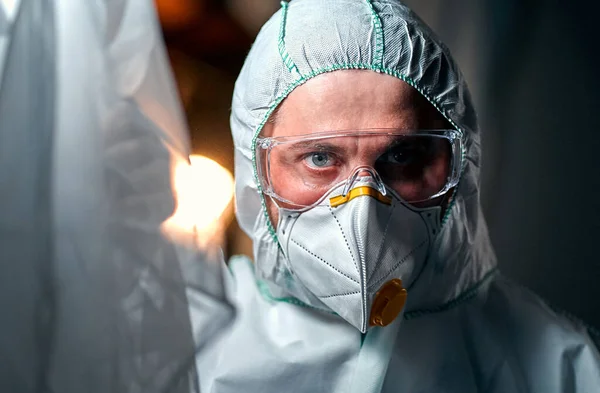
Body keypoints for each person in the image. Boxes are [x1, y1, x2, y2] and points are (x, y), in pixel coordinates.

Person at [195, 0, 600, 392]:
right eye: (319, 157)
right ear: (255, 171)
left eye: (402, 155)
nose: (363, 207)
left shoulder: (567, 367)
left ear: (457, 164)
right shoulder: (186, 347)